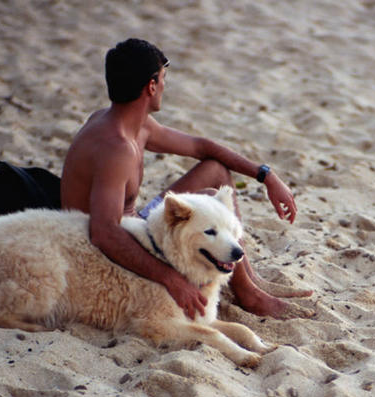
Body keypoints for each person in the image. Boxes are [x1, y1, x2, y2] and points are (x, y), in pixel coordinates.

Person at [61, 38, 312, 320]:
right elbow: (103, 233)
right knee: (209, 198)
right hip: (107, 250)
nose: (165, 86)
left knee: (215, 172)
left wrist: (266, 176)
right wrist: (171, 279)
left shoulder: (128, 123)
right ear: (151, 86)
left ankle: (249, 282)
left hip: (135, 225)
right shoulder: (116, 148)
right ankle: (248, 295)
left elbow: (202, 147)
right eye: (164, 78)